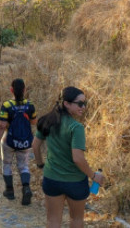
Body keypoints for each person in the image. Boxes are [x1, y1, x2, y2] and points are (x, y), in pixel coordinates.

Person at [31, 87, 105, 228]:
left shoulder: (47, 120)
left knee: (53, 221)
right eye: (79, 103)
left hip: (52, 179)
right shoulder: (76, 127)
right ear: (66, 103)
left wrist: (40, 165)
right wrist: (93, 176)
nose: (83, 107)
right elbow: (78, 158)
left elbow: (35, 146)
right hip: (75, 182)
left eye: (85, 103)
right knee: (76, 220)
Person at [0, 78, 37, 205]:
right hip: (24, 141)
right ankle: (26, 188)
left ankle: (10, 191)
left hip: (8, 140)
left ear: (11, 90)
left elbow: (2, 125)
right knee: (23, 166)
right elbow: (34, 122)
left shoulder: (7, 105)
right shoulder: (30, 105)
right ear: (24, 90)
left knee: (7, 164)